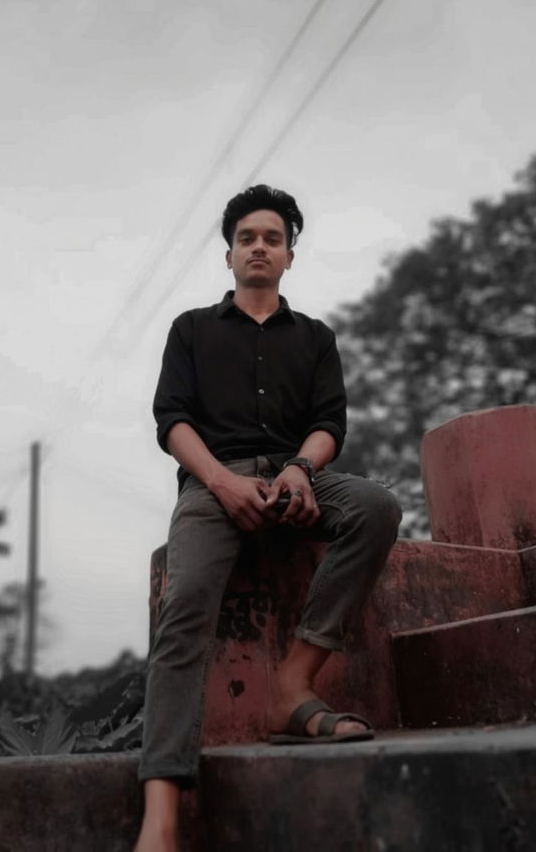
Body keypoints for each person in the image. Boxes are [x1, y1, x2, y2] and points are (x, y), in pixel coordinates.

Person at [134, 185, 401, 852]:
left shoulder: (315, 337)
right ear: (229, 254)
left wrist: (298, 472)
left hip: (292, 481)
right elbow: (172, 420)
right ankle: (160, 813)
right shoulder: (191, 329)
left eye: (272, 238)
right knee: (186, 602)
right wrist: (221, 481)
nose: (259, 246)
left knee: (376, 504)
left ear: (289, 255)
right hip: (210, 486)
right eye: (247, 237)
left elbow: (326, 424)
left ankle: (291, 683)